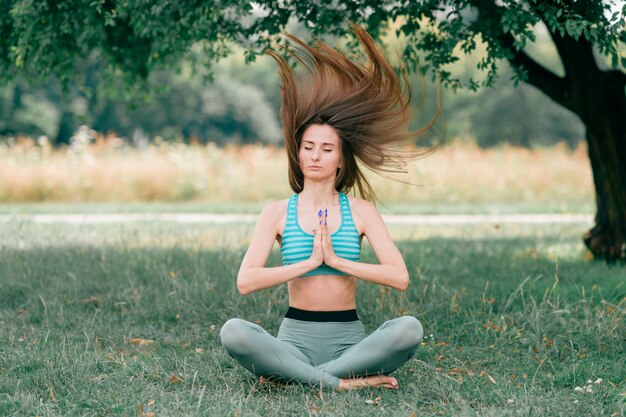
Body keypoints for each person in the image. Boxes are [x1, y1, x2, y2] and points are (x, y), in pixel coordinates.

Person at [220, 22, 442, 391]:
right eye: (308, 147)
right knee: (234, 332)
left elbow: (398, 277)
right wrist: (308, 263)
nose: (316, 156)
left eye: (326, 149)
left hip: (348, 340)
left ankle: (299, 378)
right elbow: (246, 282)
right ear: (297, 153)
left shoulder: (361, 211)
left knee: (409, 329)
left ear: (340, 158)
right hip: (293, 339)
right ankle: (343, 382)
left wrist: (337, 261)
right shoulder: (276, 213)